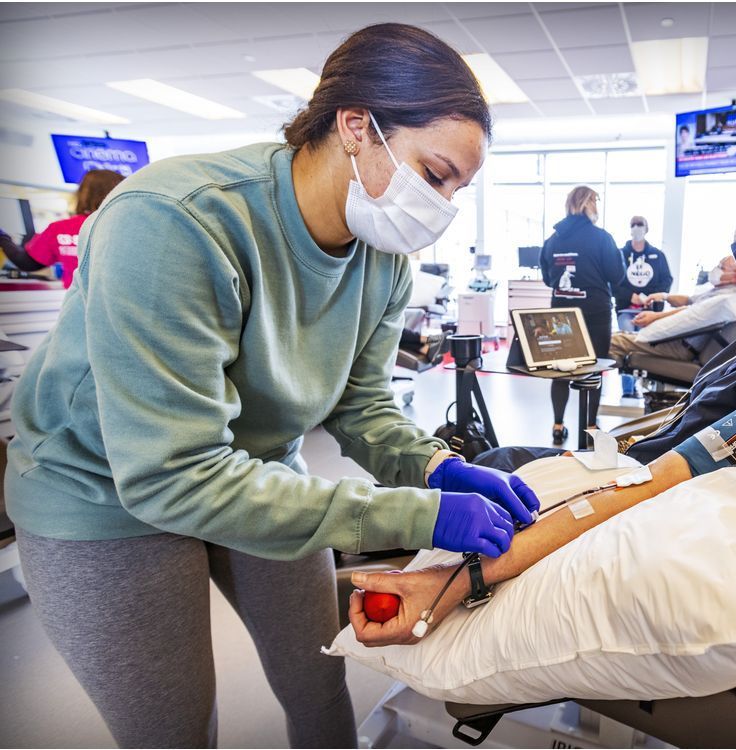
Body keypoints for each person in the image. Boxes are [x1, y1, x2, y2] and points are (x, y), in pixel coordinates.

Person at [4, 24, 540, 749]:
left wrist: (439, 468)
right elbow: (175, 477)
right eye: (435, 173)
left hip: (255, 464)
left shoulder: (383, 262)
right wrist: (418, 515)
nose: (440, 206)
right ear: (357, 126)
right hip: (103, 491)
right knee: (172, 728)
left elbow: (362, 404)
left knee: (319, 673)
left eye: (457, 188)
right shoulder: (178, 222)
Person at [346, 150, 736, 647]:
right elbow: (689, 427)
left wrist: (460, 579)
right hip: (617, 465)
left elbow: (669, 477)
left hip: (623, 494)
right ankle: (364, 535)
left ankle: (361, 548)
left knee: (496, 467)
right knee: (491, 465)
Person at [539, 186, 625, 445]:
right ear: (589, 204)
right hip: (595, 314)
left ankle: (557, 424)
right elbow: (616, 276)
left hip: (561, 315)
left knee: (560, 370)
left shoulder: (552, 241)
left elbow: (547, 279)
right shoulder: (601, 238)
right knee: (593, 370)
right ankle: (589, 426)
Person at [610, 255, 736, 387]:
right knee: (615, 338)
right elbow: (689, 301)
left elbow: (690, 312)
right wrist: (664, 296)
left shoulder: (723, 300)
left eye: (721, 267)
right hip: (678, 342)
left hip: (680, 347)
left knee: (613, 341)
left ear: (735, 276)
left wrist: (654, 317)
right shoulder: (718, 292)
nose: (716, 270)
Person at [0, 169, 124, 289]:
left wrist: (3, 237)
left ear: (82, 194)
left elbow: (27, 262)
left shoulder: (61, 228)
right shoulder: (124, 226)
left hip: (76, 305)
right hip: (120, 304)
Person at [613, 215, 673, 334]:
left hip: (651, 310)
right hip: (626, 310)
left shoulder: (658, 255)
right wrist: (630, 296)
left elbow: (667, 280)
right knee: (628, 336)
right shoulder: (619, 255)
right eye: (633, 225)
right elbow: (612, 283)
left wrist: (651, 297)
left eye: (640, 224)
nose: (636, 227)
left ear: (646, 229)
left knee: (645, 338)